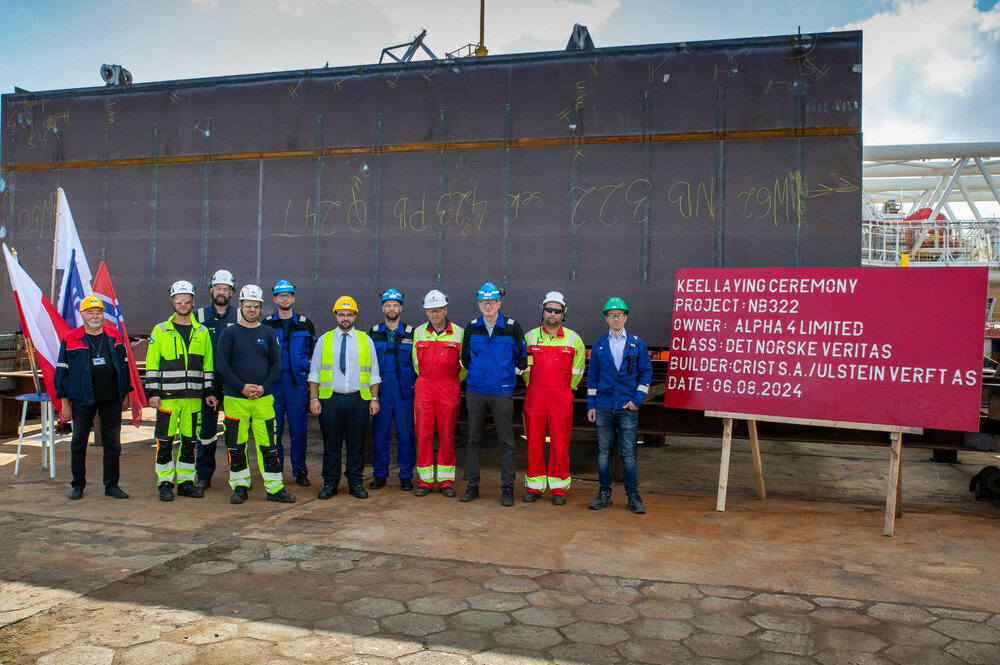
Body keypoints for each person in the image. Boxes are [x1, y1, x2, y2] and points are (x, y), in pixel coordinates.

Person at [215, 285, 294, 504]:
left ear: (261, 307)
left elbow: (276, 363)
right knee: (236, 445)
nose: (252, 309)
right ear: (240, 305)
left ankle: (275, 487)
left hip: (263, 399)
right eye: (248, 305)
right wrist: (241, 387)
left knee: (269, 445)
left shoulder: (267, 332)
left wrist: (263, 386)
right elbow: (222, 364)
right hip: (235, 399)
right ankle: (240, 486)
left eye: (256, 305)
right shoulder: (229, 333)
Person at [55, 295, 133, 500]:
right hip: (82, 399)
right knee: (78, 442)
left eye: (98, 312)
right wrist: (65, 403)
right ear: (82, 315)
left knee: (113, 443)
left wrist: (124, 394)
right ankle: (77, 485)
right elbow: (62, 372)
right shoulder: (70, 338)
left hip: (111, 399)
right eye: (90, 312)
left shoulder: (114, 335)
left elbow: (124, 366)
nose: (95, 316)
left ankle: (112, 485)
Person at [145, 281, 217, 501]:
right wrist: (153, 393)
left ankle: (186, 482)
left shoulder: (202, 331)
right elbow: (152, 364)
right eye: (179, 300)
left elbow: (208, 365)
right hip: (167, 399)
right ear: (172, 302)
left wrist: (209, 392)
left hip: (193, 399)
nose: (183, 304)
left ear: (193, 302)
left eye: (187, 300)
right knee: (165, 442)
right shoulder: (161, 330)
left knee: (189, 442)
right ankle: (165, 483)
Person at [460, 282, 526, 506]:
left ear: (500, 302)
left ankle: (507, 489)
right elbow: (465, 359)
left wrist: (503, 377)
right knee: (473, 440)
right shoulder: (471, 328)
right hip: (476, 392)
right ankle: (472, 486)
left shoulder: (512, 327)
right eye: (484, 302)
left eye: (493, 301)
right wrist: (480, 375)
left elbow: (522, 358)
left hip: (501, 394)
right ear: (478, 304)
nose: (488, 305)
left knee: (506, 441)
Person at [308, 295, 381, 500]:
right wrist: (314, 400)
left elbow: (374, 372)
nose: (345, 318)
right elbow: (314, 372)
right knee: (331, 444)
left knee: (356, 444)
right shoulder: (324, 339)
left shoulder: (365, 340)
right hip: (331, 400)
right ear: (336, 315)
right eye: (342, 314)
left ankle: (355, 482)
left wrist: (374, 399)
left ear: (355, 315)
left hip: (358, 400)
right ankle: (330, 483)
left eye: (349, 314)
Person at [586, 297, 652, 514]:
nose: (616, 318)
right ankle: (604, 494)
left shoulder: (636, 343)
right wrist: (591, 405)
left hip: (627, 407)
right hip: (604, 406)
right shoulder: (599, 346)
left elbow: (646, 374)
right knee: (604, 452)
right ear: (606, 318)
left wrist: (637, 401)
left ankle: (633, 497)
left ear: (626, 317)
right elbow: (593, 377)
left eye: (620, 314)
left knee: (628, 454)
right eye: (612, 315)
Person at [522, 291, 585, 505]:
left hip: (561, 398)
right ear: (543, 311)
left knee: (560, 442)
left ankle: (559, 488)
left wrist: (567, 391)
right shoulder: (530, 337)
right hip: (536, 397)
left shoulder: (574, 339)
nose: (552, 314)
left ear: (563, 313)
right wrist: (533, 387)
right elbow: (525, 369)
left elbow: (578, 370)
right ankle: (534, 486)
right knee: (534, 442)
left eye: (557, 311)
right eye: (549, 309)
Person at [412, 290, 466, 498]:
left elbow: (464, 366)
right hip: (424, 389)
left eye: (438, 310)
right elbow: (416, 363)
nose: (434, 314)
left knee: (447, 436)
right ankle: (425, 480)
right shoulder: (418, 332)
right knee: (423, 435)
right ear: (426, 312)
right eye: (430, 311)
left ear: (445, 309)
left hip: (448, 389)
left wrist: (450, 380)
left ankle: (445, 480)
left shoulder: (459, 333)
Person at [263, 279, 316, 487]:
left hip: (296, 384)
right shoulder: (266, 324)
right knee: (273, 429)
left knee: (298, 430)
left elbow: (312, 354)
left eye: (288, 295)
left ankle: (300, 471)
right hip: (274, 385)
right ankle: (276, 470)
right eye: (280, 295)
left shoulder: (305, 323)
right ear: (275, 299)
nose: (284, 298)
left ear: (293, 298)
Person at [369, 288, 417, 491]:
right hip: (381, 391)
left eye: (395, 304)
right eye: (388, 305)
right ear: (382, 308)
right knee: (380, 434)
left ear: (401, 308)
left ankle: (406, 475)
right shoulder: (372, 333)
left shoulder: (412, 333)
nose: (391, 308)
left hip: (405, 391)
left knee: (407, 434)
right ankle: (380, 474)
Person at [194, 269, 238, 490]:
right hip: (208, 382)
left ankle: (238, 476)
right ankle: (203, 475)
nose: (221, 292)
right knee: (207, 431)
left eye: (226, 289)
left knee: (235, 431)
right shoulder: (199, 316)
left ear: (232, 292)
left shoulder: (240, 315)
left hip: (233, 381)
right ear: (211, 290)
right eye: (218, 288)